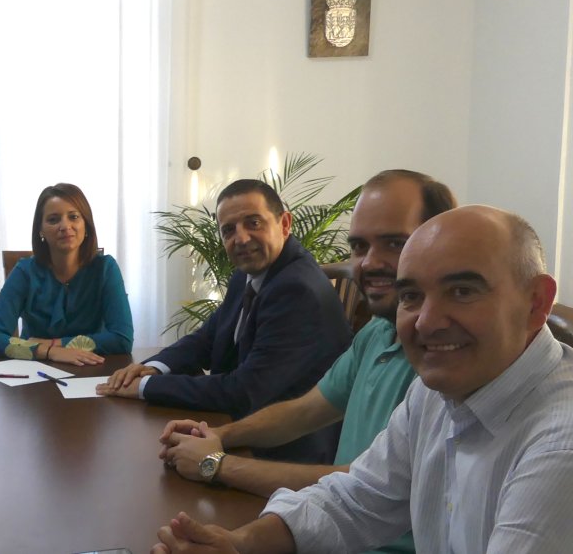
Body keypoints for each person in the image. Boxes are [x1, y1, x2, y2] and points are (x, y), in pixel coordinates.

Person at [152, 206, 573, 554]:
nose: (427, 322)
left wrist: (219, 463)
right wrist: (241, 544)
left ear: (536, 303)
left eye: (462, 290)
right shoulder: (439, 390)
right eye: (411, 295)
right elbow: (358, 499)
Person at [158, 170, 455, 554]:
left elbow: (369, 484)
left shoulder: (444, 360)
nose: (369, 263)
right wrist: (218, 438)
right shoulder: (377, 333)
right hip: (331, 526)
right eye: (360, 247)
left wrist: (216, 464)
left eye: (395, 243)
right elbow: (306, 410)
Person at [99, 179, 351, 463]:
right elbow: (207, 338)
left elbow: (243, 391)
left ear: (284, 224)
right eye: (228, 230)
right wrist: (152, 369)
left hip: (284, 454)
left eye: (253, 223)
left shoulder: (296, 289)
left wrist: (145, 389)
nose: (241, 239)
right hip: (240, 428)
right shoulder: (248, 273)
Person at [0, 182, 133, 365]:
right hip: (34, 377)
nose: (65, 226)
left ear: (86, 225)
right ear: (41, 231)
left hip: (91, 373)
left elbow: (122, 339)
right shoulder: (25, 272)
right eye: (53, 219)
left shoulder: (106, 268)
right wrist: (49, 352)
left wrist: (57, 344)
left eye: (74, 217)